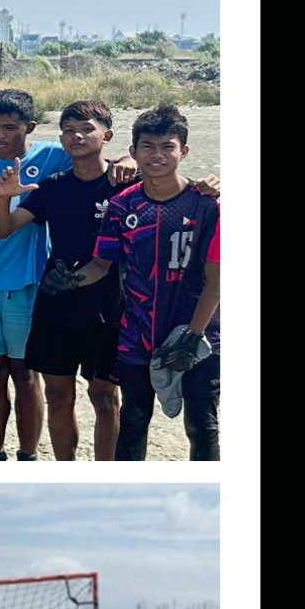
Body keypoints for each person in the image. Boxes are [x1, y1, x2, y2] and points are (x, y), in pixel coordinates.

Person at [74, 106, 220, 461]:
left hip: (199, 336)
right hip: (137, 335)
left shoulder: (208, 206)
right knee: (135, 420)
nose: (157, 156)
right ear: (134, 151)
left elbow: (217, 283)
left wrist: (192, 337)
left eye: (167, 147)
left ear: (183, 151)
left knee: (202, 426)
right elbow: (101, 264)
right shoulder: (122, 205)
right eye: (148, 147)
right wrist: (68, 280)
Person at [0, 101, 123, 461]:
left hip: (110, 306)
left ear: (106, 135)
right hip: (56, 302)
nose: (76, 136)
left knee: (105, 397)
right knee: (59, 397)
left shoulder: (125, 183)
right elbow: (2, 230)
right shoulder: (52, 187)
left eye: (87, 129)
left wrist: (131, 161)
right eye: (68, 130)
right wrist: (4, 198)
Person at [0, 90, 78, 461]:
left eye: (10, 127)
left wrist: (124, 162)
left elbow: (95, 166)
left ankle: (27, 455)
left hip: (29, 285)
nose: (0, 135)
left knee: (25, 375)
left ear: (30, 127)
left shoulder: (54, 156)